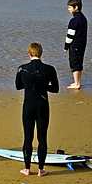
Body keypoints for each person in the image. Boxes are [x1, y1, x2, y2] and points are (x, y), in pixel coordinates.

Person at [15, 42, 59, 176]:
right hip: (42, 105)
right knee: (42, 138)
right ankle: (41, 169)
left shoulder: (22, 69)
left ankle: (27, 169)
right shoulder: (50, 69)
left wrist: (30, 85)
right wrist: (43, 86)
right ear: (41, 53)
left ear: (29, 54)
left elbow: (18, 86)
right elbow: (55, 89)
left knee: (28, 138)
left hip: (28, 106)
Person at [64, 0, 87, 89]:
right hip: (82, 44)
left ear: (76, 7)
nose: (68, 9)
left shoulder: (74, 20)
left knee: (74, 63)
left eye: (70, 7)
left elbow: (70, 34)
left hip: (75, 45)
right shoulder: (83, 18)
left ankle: (77, 83)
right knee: (79, 63)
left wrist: (66, 46)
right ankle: (77, 82)